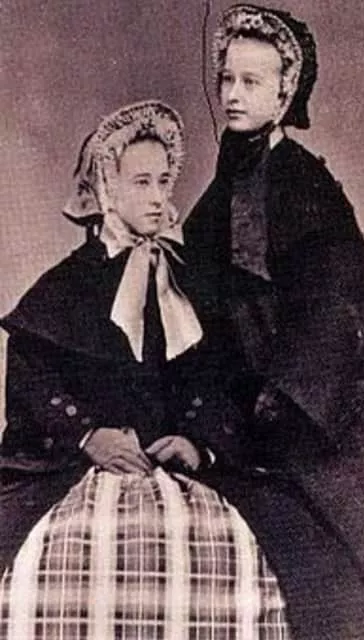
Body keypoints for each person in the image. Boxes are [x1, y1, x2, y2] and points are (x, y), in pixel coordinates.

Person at [0, 101, 291, 639]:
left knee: (255, 552)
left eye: (163, 181)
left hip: (181, 473)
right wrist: (88, 435)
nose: (159, 197)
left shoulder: (187, 280)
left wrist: (198, 443)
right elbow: (31, 377)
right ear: (107, 190)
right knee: (53, 555)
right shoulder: (67, 284)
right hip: (76, 469)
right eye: (141, 183)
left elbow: (222, 377)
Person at [181, 4, 364, 640]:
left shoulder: (307, 184)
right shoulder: (223, 191)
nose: (232, 95)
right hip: (261, 402)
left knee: (361, 562)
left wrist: (275, 405)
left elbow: (332, 319)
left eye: (250, 82)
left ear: (285, 93)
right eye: (226, 79)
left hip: (334, 408)